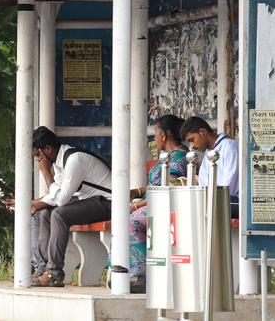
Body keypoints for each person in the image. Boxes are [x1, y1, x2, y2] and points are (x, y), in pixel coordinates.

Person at [17, 126, 112, 288]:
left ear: (47, 149)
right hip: (92, 201)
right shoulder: (61, 162)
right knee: (47, 212)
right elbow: (56, 195)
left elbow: (61, 200)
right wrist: (32, 204)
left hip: (108, 202)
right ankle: (44, 269)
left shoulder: (74, 160)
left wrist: (46, 173)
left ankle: (54, 274)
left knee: (59, 214)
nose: (37, 159)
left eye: (37, 154)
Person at [127, 115, 188, 293]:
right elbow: (156, 184)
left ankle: (140, 275)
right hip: (155, 203)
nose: (154, 138)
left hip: (168, 206)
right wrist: (137, 191)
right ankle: (123, 270)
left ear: (163, 135)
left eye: (155, 134)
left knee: (132, 221)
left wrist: (136, 206)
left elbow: (165, 188)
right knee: (123, 216)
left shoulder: (180, 158)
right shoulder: (168, 157)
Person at [180, 116, 239, 216]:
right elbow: (203, 187)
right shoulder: (208, 155)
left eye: (192, 140)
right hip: (214, 202)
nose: (192, 146)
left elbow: (228, 189)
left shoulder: (229, 147)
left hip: (232, 203)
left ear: (202, 132)